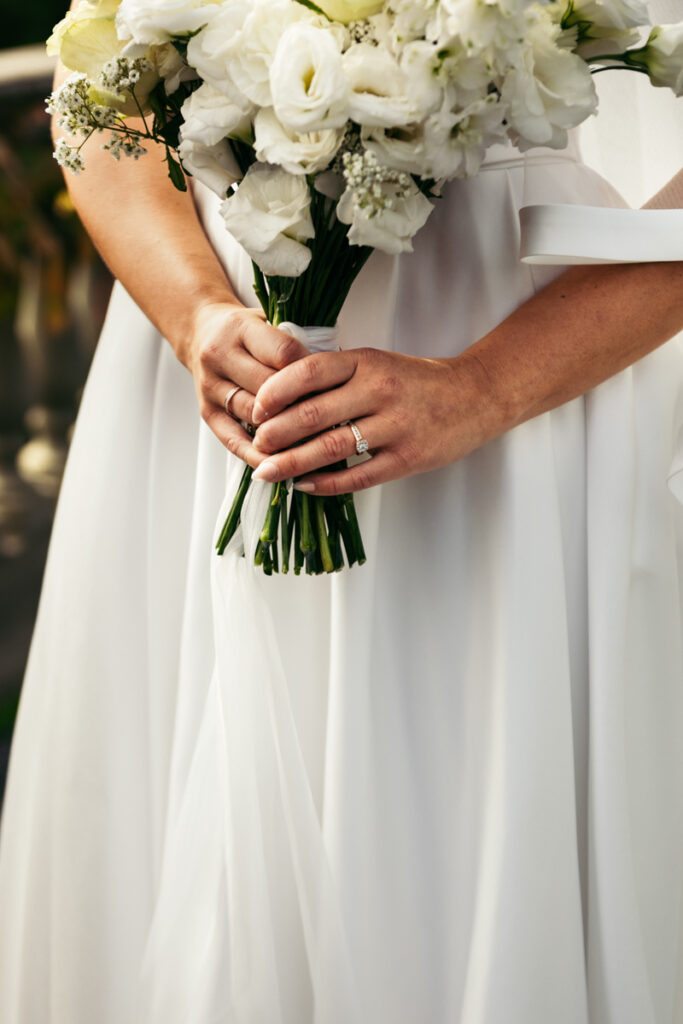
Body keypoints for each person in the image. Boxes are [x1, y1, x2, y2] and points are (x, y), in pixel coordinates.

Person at [0, 10, 682, 1023]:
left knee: (461, 807)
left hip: (525, 359)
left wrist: (487, 386)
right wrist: (194, 313)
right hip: (224, 366)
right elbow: (95, 74)